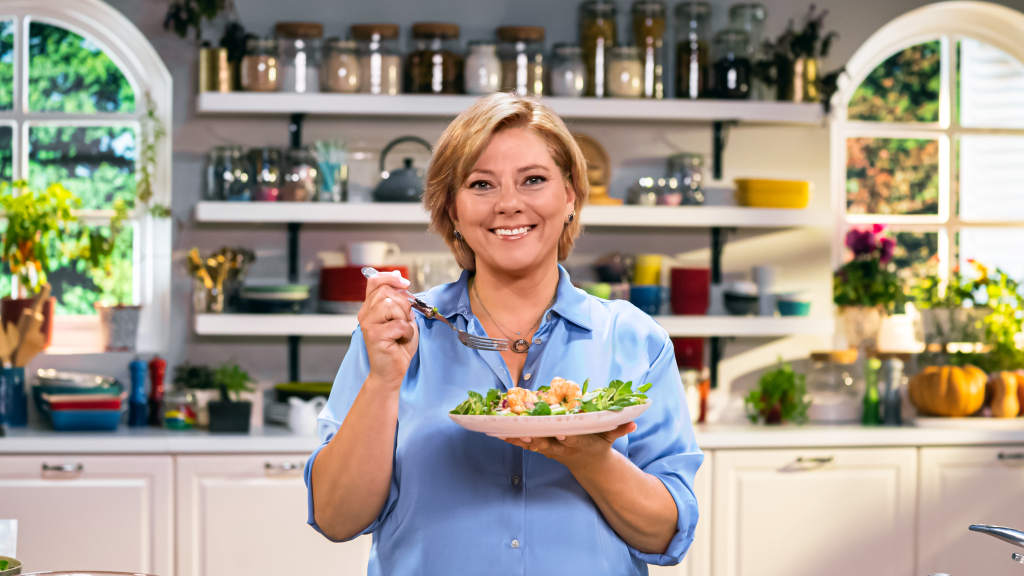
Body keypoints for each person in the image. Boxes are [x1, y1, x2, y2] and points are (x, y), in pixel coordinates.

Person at [304, 92, 703, 575]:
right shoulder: (396, 335)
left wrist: (592, 459)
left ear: (570, 195)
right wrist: (384, 380)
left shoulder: (636, 341)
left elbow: (665, 537)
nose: (509, 204)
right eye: (481, 184)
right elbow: (335, 518)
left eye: (533, 180)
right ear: (452, 210)